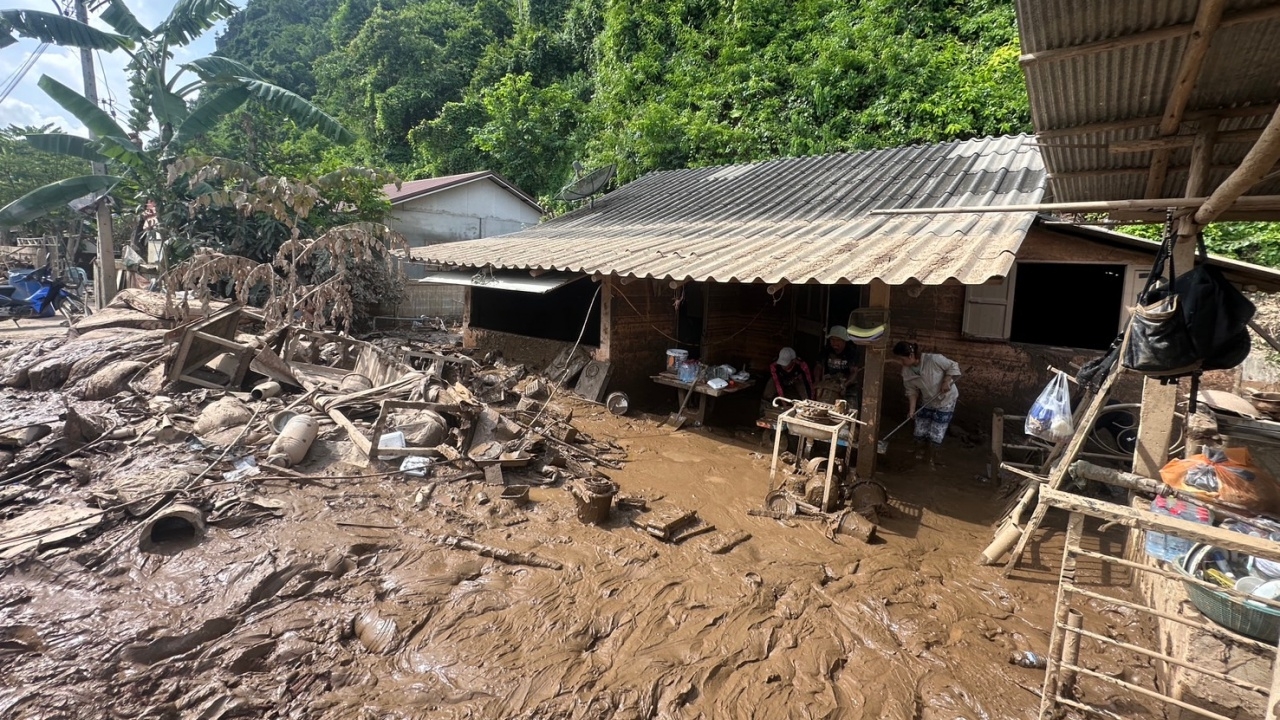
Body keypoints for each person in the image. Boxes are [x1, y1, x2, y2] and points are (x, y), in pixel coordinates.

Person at [892, 341, 961, 468]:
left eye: (902, 359)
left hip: (946, 399)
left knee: (937, 431)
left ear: (911, 356)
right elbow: (911, 391)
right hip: (928, 399)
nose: (901, 363)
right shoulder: (907, 371)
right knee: (920, 428)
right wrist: (912, 410)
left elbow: (953, 366)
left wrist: (947, 380)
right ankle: (918, 454)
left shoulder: (933, 359)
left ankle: (931, 459)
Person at [815, 325, 861, 402]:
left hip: (848, 385)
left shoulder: (851, 352)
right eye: (832, 340)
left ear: (844, 341)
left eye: (838, 340)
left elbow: (854, 372)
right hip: (830, 383)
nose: (835, 343)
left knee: (850, 408)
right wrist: (817, 381)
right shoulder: (827, 349)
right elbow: (818, 366)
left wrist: (844, 385)